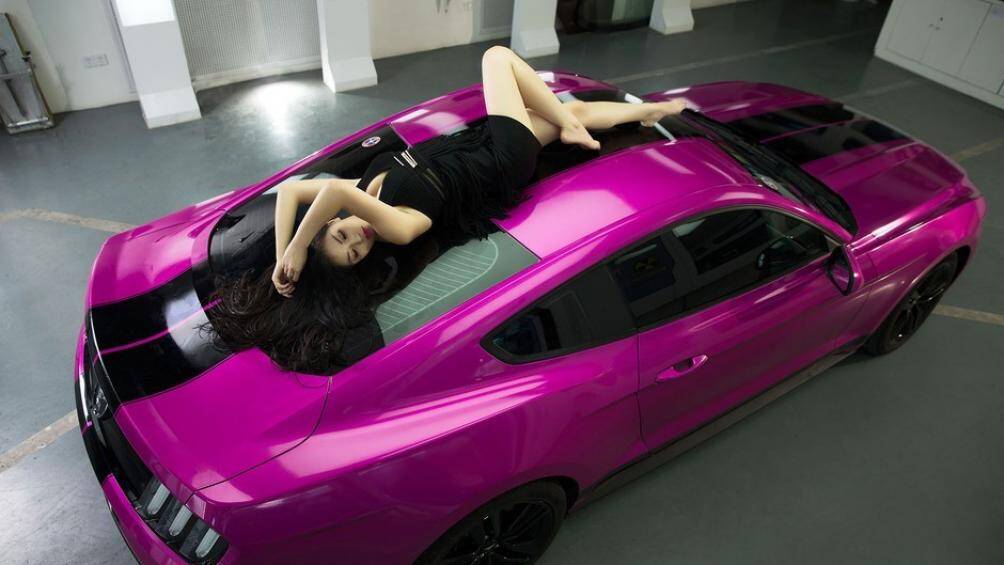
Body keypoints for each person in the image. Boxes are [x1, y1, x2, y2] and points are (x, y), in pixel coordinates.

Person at [210, 46, 686, 373]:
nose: (359, 240)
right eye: (355, 253)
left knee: (571, 112)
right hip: (501, 161)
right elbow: (329, 195)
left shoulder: (362, 191)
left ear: (329, 225)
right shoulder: (397, 228)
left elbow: (293, 194)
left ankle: (641, 114)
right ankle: (572, 127)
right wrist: (300, 245)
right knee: (497, 58)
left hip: (473, 148)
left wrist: (285, 256)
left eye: (341, 237)